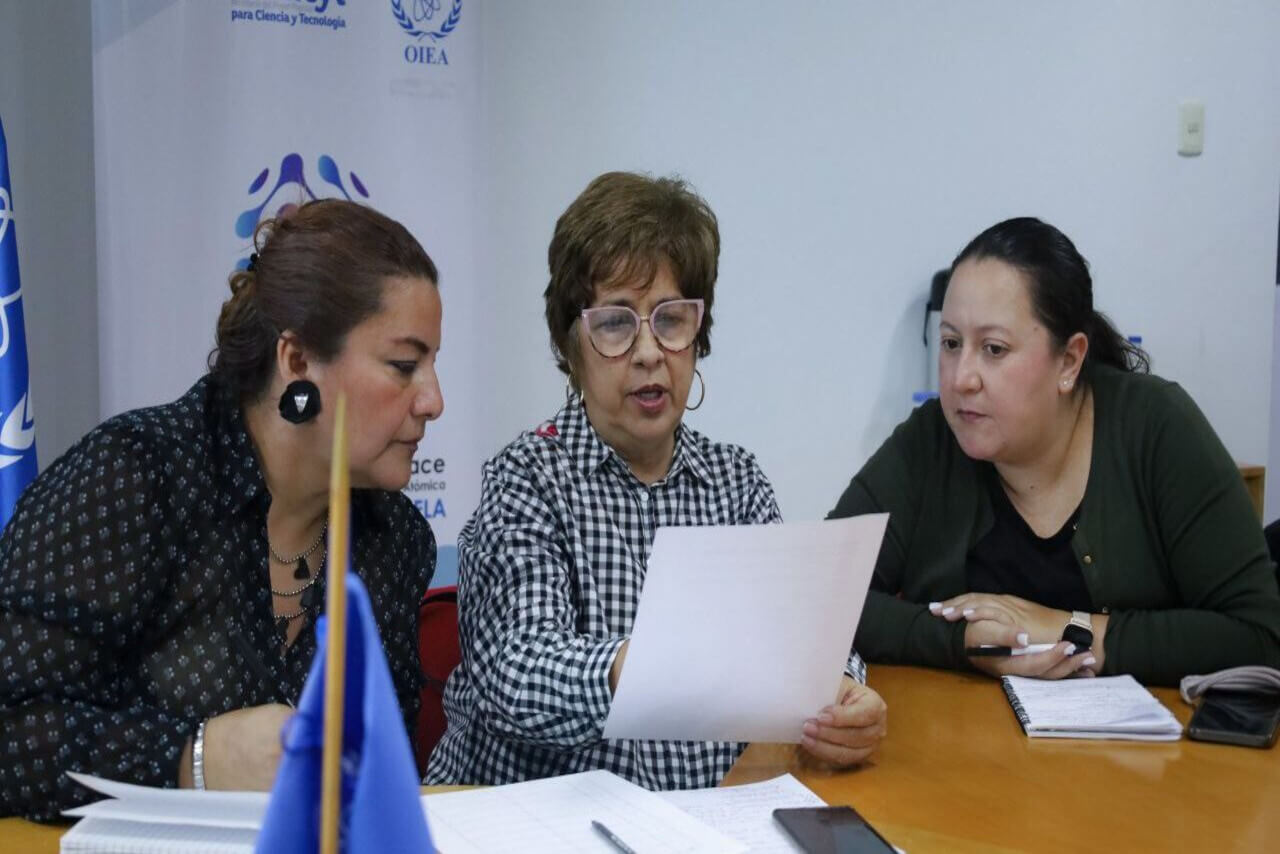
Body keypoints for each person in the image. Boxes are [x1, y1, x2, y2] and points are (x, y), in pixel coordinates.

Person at [426, 172, 886, 790]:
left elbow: (798, 639)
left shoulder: (736, 482)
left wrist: (843, 689)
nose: (648, 352)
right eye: (616, 324)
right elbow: (515, 671)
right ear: (572, 343)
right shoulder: (527, 478)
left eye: (671, 320)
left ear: (699, 335)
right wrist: (652, 661)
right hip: (537, 822)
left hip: (701, 820)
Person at [0, 199, 444, 820]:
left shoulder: (394, 539)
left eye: (433, 365)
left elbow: (376, 771)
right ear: (296, 362)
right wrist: (192, 760)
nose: (433, 400)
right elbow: (13, 733)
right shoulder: (135, 479)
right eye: (405, 365)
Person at [831, 216, 1280, 686]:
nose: (961, 377)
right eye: (950, 343)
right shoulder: (932, 440)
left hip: (1142, 756)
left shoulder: (1156, 426)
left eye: (994, 349)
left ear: (1068, 361)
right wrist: (965, 643)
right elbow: (819, 596)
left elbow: (1258, 635)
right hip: (967, 749)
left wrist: (1069, 629)